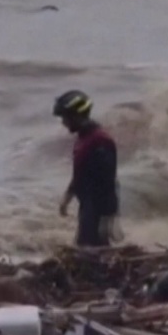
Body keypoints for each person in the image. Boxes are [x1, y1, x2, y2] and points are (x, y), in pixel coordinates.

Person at [53, 90, 120, 247]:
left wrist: (104, 214)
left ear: (77, 116)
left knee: (93, 247)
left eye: (65, 118)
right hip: (88, 204)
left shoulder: (100, 141)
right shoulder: (84, 138)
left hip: (99, 206)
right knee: (85, 244)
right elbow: (80, 172)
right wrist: (67, 197)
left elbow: (108, 180)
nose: (63, 123)